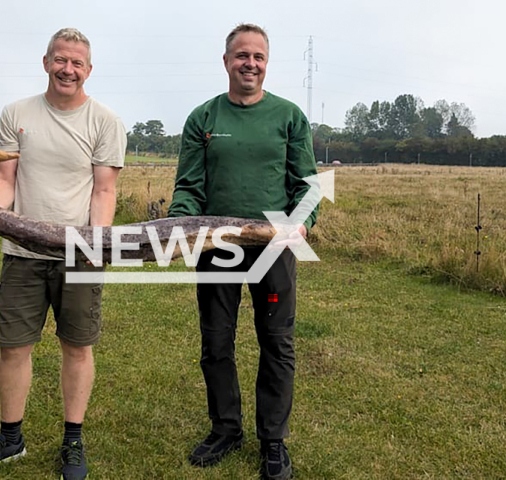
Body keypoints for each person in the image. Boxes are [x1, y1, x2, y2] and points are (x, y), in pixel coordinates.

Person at [0, 28, 126, 479]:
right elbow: (5, 180)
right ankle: (11, 438)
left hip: (78, 253)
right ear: (46, 62)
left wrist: (97, 244)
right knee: (13, 347)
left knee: (77, 346)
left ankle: (72, 441)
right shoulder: (16, 114)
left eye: (76, 63)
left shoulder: (104, 121)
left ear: (88, 70)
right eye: (60, 60)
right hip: (22, 252)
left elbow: (105, 190)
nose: (67, 69)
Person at [168, 23, 318, 480]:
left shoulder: (289, 116)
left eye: (258, 56)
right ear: (227, 61)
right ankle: (225, 429)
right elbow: (189, 187)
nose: (249, 63)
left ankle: (273, 440)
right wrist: (180, 223)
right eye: (241, 56)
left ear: (266, 63)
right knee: (216, 342)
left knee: (277, 343)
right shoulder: (204, 119)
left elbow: (307, 186)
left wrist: (303, 223)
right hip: (217, 247)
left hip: (273, 248)